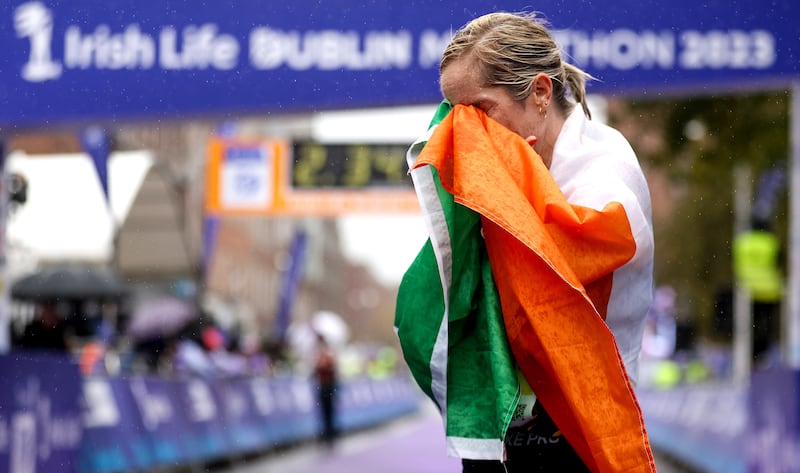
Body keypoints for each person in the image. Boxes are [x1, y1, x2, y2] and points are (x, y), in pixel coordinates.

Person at [395, 11, 655, 473]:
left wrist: (507, 180)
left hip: (582, 431)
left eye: (480, 111)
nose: (465, 133)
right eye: (454, 115)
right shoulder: (495, 175)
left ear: (539, 92)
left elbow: (571, 259)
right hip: (508, 432)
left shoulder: (603, 164)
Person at [313, 332, 338, 446]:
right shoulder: (318, 356)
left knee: (330, 411)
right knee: (323, 412)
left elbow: (332, 369)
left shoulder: (329, 355)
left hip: (329, 387)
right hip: (322, 387)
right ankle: (326, 433)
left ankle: (331, 433)